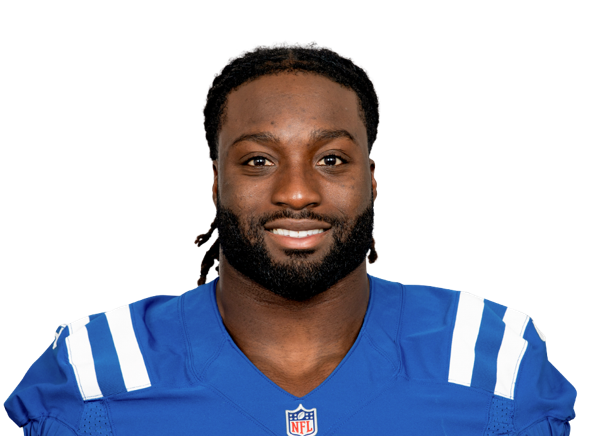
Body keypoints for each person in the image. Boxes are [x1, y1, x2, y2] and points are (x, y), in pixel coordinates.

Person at [4, 43, 576, 435]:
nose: (297, 193)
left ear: (372, 180)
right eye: (258, 160)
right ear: (216, 182)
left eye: (331, 159)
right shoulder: (94, 371)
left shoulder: (493, 360)